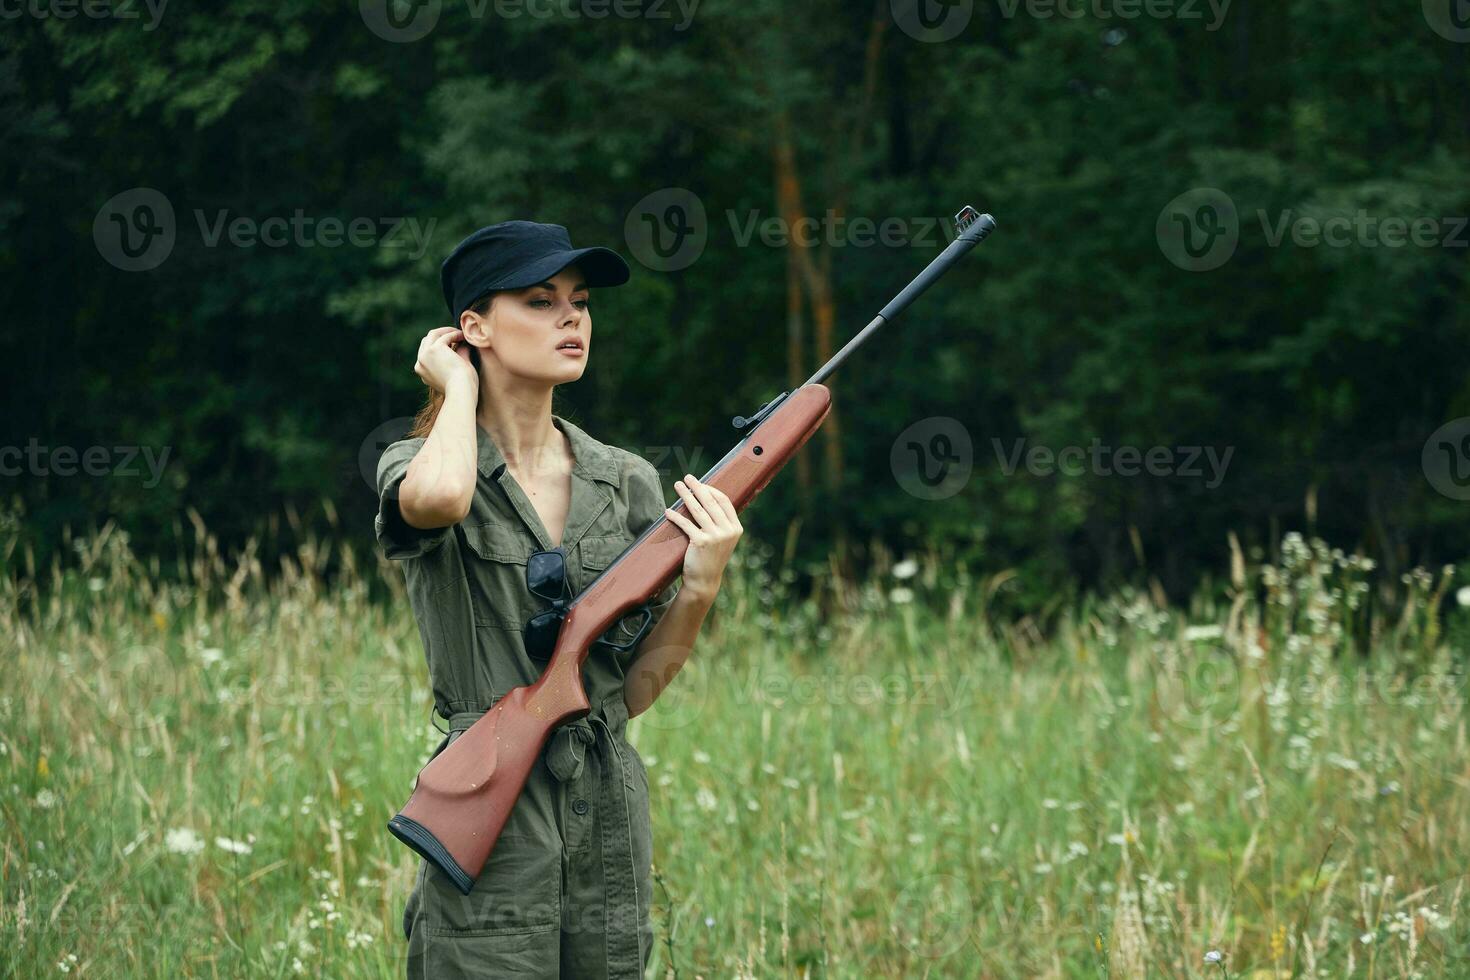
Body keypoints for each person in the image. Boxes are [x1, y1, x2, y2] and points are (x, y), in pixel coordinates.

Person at [374, 220, 741, 978]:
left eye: (579, 301)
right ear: (471, 326)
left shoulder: (628, 480)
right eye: (540, 301)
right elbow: (442, 498)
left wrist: (699, 587)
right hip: (496, 816)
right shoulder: (423, 461)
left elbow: (629, 692)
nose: (572, 317)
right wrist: (459, 384)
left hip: (607, 817)